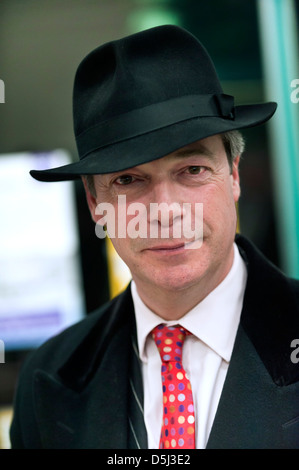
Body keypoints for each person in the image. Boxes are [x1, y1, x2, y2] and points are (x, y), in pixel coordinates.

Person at [10, 24, 299, 449]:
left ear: (233, 175)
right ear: (95, 206)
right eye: (129, 180)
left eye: (192, 170)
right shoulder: (46, 381)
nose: (164, 212)